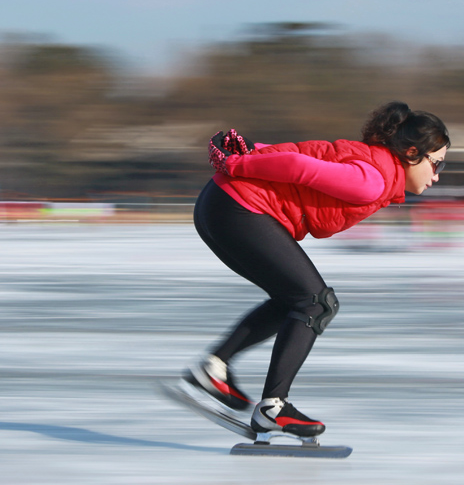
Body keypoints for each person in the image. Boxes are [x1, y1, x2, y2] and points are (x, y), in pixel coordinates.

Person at [184, 101, 449, 438]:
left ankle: (214, 368)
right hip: (239, 208)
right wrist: (240, 162)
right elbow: (298, 166)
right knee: (316, 303)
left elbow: (309, 155)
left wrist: (255, 150)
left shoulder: (373, 163)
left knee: (293, 300)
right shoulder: (373, 179)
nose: (437, 176)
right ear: (412, 153)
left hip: (223, 206)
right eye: (436, 164)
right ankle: (273, 407)